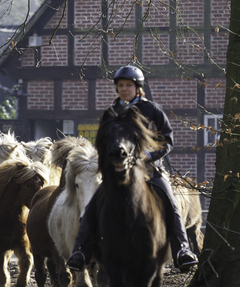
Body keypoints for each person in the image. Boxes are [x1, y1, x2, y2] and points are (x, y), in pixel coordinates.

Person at [66, 65, 199, 273]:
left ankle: (182, 250)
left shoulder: (152, 110)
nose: (124, 89)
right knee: (92, 206)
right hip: (117, 172)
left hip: (149, 169)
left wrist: (149, 155)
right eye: (121, 85)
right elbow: (102, 142)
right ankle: (80, 251)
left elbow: (168, 141)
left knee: (171, 203)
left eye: (129, 85)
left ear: (138, 88)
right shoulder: (110, 113)